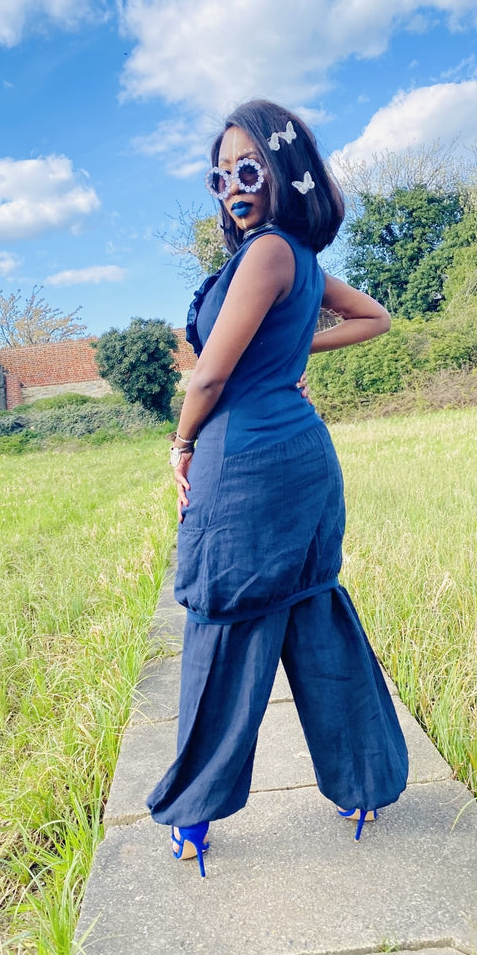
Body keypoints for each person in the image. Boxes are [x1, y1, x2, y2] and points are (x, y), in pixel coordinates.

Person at [146, 99, 408, 877]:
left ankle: (193, 815)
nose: (233, 186)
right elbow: (374, 318)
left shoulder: (266, 254)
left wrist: (181, 443)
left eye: (249, 169)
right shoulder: (301, 260)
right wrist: (294, 355)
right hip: (302, 457)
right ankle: (363, 787)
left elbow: (210, 376)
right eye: (220, 175)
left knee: (223, 623)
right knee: (314, 610)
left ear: (286, 171)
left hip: (245, 464)